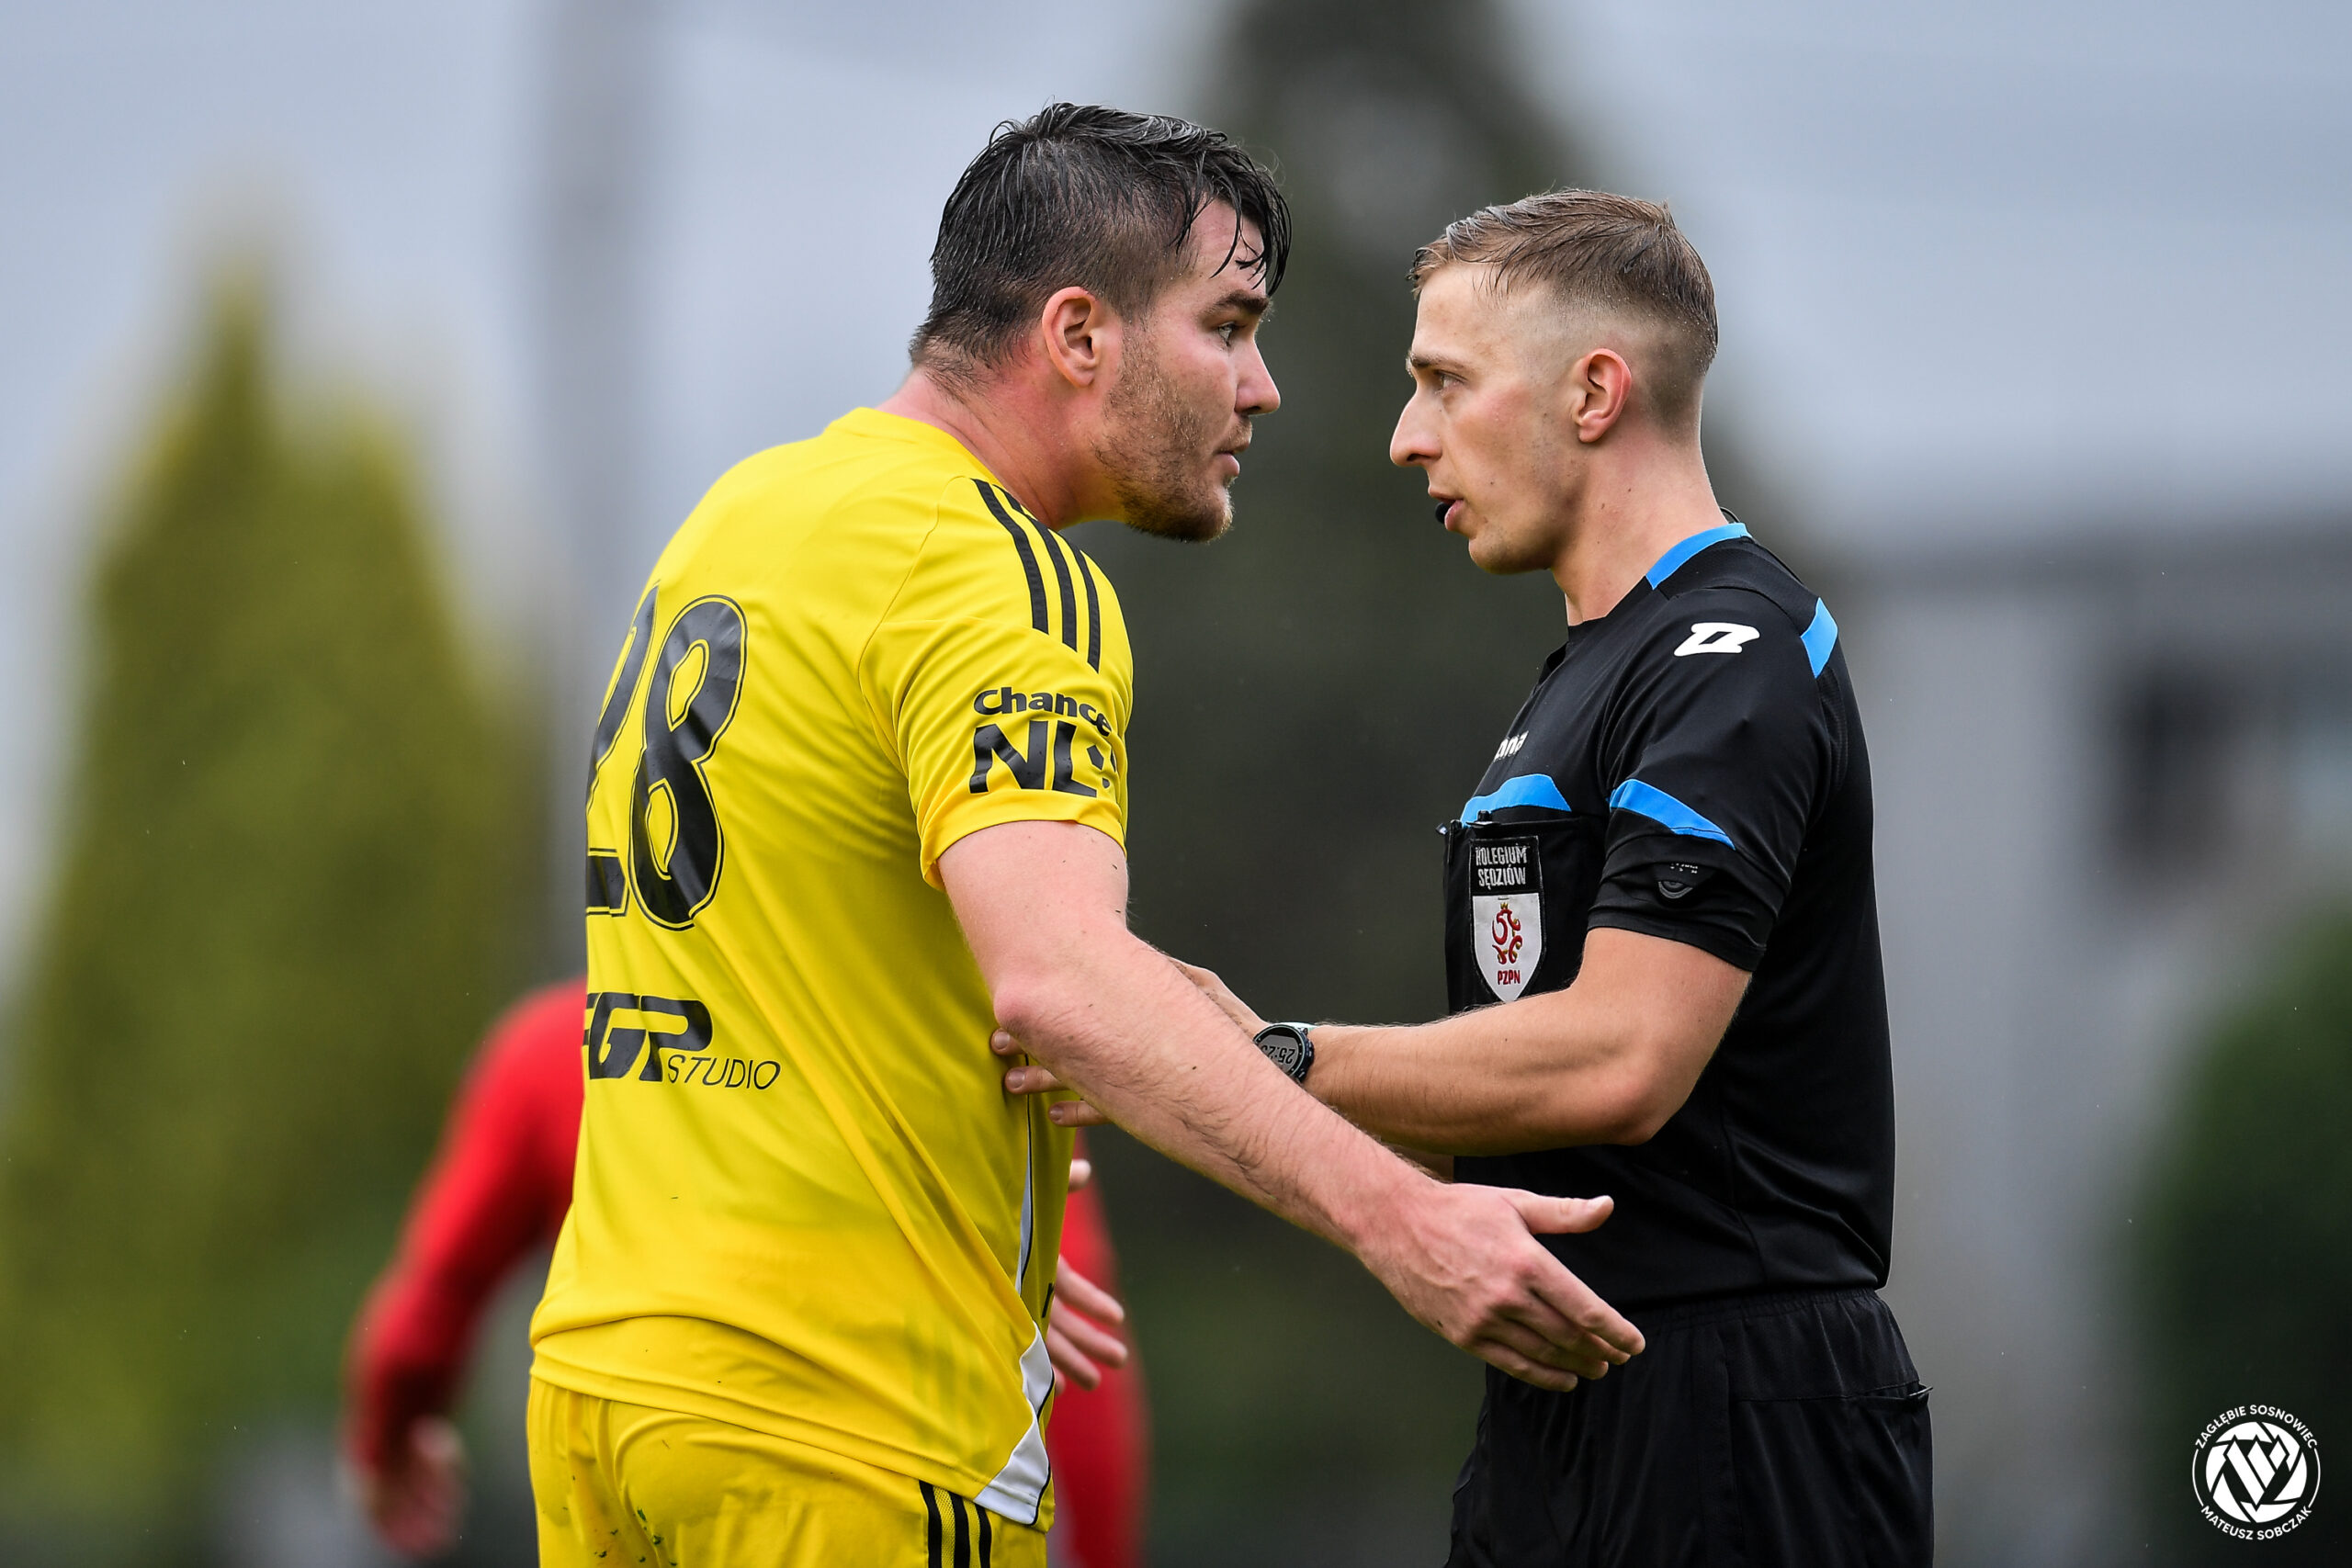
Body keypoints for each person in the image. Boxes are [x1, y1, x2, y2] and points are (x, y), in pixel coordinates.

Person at [530, 107, 1644, 1568]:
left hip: (609, 1385)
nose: (1265, 387)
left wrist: (956, 1196)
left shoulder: (744, 515)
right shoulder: (997, 572)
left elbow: (793, 957)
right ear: (1077, 335)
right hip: (846, 1419)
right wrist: (1403, 1220)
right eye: (1227, 327)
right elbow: (1059, 980)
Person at [1021, 189, 1932, 1564]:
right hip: (1562, 1406)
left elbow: (1622, 1057)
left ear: (1594, 393)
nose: (1407, 434)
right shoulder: (1582, 681)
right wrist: (1197, 1059)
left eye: (1445, 382)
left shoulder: (1734, 653)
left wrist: (1274, 1054)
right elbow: (1514, 1110)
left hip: (1740, 1410)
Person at [341, 982, 1146, 1565]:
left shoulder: (553, 1048)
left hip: (613, 1455)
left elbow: (426, 1314)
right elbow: (1081, 1359)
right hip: (862, 1481)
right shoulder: (954, 1046)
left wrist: (387, 1442)